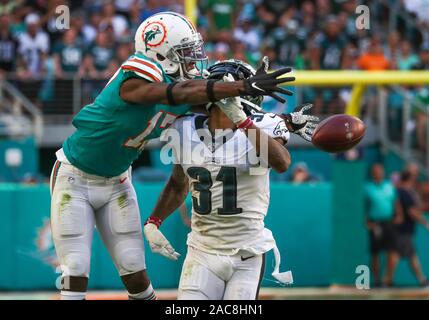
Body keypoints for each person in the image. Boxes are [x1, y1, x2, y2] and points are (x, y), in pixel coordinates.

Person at [49, 11, 299, 300]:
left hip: (117, 180)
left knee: (134, 268)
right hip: (74, 175)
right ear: (158, 52)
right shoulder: (137, 77)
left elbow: (230, 110)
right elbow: (177, 93)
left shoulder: (184, 92)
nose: (194, 61)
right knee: (76, 266)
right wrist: (242, 85)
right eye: (185, 53)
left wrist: (288, 121)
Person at [143, 59, 319, 300]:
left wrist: (243, 121)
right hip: (202, 250)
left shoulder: (264, 126)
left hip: (246, 252)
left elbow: (281, 163)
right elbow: (178, 182)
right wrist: (154, 221)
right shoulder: (184, 128)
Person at [383, 170, 429, 287]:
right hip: (401, 230)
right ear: (410, 179)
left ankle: (422, 280)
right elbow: (411, 211)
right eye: (414, 178)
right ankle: (387, 280)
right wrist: (426, 223)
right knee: (396, 255)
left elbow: (416, 208)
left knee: (411, 256)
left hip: (405, 230)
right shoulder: (403, 192)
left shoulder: (405, 192)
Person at [364, 164, 397, 287]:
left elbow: (395, 202)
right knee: (375, 254)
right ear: (372, 173)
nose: (378, 173)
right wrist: (368, 223)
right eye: (376, 171)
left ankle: (388, 279)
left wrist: (398, 216)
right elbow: (363, 207)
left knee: (392, 252)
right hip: (375, 224)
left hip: (388, 223)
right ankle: (377, 280)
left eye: (380, 171)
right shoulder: (368, 188)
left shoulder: (389, 186)